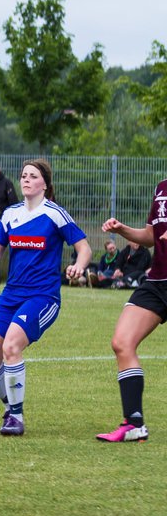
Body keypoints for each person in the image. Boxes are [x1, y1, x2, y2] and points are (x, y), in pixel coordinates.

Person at [0, 159, 90, 436]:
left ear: (44, 184)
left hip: (42, 296)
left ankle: (16, 416)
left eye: (32, 176)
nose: (25, 180)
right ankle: (10, 404)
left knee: (11, 346)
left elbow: (84, 248)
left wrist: (79, 266)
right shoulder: (11, 214)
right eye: (23, 175)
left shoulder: (55, 214)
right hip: (11, 294)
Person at [93, 183, 167, 442]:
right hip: (158, 281)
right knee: (122, 342)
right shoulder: (162, 188)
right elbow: (151, 236)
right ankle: (134, 424)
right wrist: (122, 229)